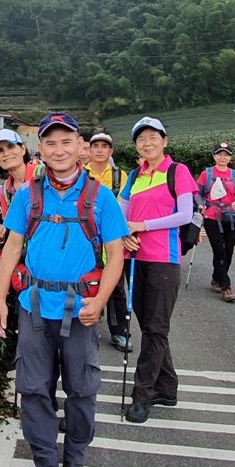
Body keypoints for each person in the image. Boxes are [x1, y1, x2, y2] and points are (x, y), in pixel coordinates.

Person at [0, 112, 128, 467]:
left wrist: (100, 301)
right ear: (41, 150)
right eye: (51, 143)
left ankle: (76, 461)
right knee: (33, 390)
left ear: (81, 147)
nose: (59, 149)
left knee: (82, 389)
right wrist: (0, 301)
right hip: (34, 307)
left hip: (81, 309)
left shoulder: (100, 197)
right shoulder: (28, 195)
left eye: (67, 141)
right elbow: (13, 248)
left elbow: (116, 253)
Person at [119, 116, 198, 425]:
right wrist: (125, 233)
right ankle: (167, 387)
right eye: (141, 138)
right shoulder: (135, 175)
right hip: (135, 258)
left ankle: (142, 396)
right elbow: (121, 211)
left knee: (155, 328)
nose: (147, 142)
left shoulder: (178, 172)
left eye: (153, 137)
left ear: (165, 141)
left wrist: (142, 225)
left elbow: (185, 214)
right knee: (150, 326)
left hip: (164, 259)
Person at [84, 132, 131, 354]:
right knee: (85, 283)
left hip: (111, 238)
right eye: (96, 146)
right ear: (89, 150)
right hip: (85, 238)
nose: (100, 150)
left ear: (111, 151)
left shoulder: (120, 176)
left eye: (105, 146)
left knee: (116, 287)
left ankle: (119, 331)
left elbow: (125, 204)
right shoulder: (81, 173)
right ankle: (85, 328)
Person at [196, 141, 235, 303]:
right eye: (219, 154)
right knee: (219, 249)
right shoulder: (207, 174)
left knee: (228, 251)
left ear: (230, 157)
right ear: (214, 156)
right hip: (212, 216)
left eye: (226, 154)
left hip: (231, 217)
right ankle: (226, 286)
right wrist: (200, 204)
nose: (223, 157)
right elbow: (197, 192)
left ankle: (216, 278)